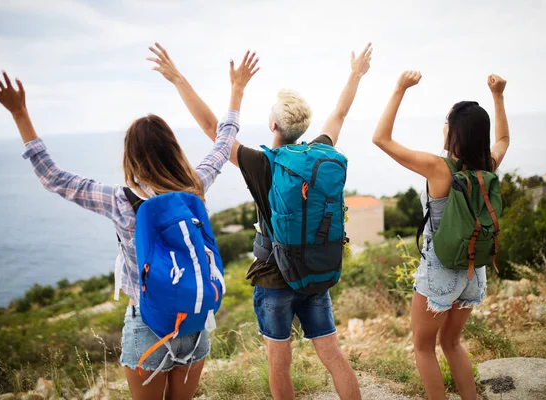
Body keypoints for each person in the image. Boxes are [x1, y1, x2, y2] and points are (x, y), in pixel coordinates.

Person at [0, 43, 260, 400]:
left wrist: (20, 114)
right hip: (193, 322)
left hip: (148, 324)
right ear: (172, 149)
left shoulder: (120, 200)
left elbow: (53, 177)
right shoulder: (195, 185)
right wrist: (235, 90)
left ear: (131, 156)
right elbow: (224, 142)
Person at [148, 43, 373, 400]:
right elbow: (340, 113)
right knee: (332, 356)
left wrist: (177, 78)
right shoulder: (319, 154)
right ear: (303, 127)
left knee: (279, 364)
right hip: (315, 272)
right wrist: (356, 73)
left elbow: (212, 128)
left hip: (274, 278)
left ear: (273, 124)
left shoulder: (261, 163)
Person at [372, 70, 509, 400]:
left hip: (441, 271)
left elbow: (381, 139)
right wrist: (498, 96)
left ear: (456, 135)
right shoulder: (488, 164)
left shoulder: (438, 169)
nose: (443, 128)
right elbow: (503, 140)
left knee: (423, 347)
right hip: (474, 269)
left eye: (447, 124)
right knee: (452, 342)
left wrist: (399, 88)